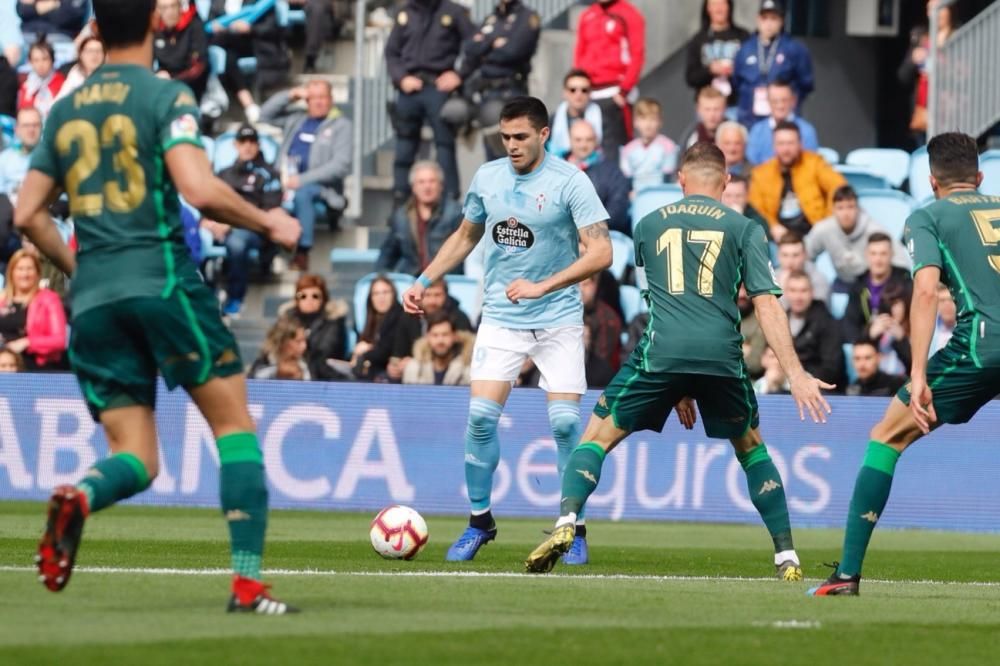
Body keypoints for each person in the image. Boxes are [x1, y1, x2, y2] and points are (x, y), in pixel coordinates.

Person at [14, 0, 301, 613]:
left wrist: (78, 269)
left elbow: (26, 214)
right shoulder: (166, 96)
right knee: (233, 426)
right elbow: (199, 188)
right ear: (156, 23)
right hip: (162, 281)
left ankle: (82, 497)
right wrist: (267, 219)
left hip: (91, 300)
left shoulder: (62, 110)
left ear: (93, 29)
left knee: (136, 458)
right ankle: (247, 585)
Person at [524, 142, 833, 576]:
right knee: (750, 448)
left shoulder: (648, 226)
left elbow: (658, 300)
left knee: (595, 437)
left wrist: (678, 386)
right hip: (722, 356)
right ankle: (787, 555)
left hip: (663, 351)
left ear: (680, 180)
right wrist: (796, 373)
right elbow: (765, 304)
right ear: (726, 182)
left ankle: (566, 520)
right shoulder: (745, 228)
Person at [402, 96, 612, 564]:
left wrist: (544, 286)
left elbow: (601, 253)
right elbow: (465, 235)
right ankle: (480, 522)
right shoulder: (488, 178)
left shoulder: (571, 182)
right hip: (500, 315)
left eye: (521, 137)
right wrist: (423, 279)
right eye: (505, 137)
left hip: (557, 316)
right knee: (479, 419)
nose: (512, 146)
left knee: (563, 425)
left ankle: (572, 527)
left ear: (543, 135)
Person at [809, 133, 1000, 596]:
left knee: (886, 437)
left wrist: (917, 374)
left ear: (933, 182)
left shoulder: (927, 216)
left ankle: (848, 574)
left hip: (981, 345)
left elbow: (925, 291)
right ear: (978, 177)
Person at [384, 0, 475, 202]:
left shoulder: (455, 12)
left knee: (444, 146)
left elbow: (475, 47)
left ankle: (450, 201)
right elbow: (391, 52)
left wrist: (459, 75)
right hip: (409, 88)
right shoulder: (406, 12)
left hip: (439, 88)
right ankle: (400, 202)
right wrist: (400, 77)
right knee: (404, 147)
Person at [260, 79, 353, 270]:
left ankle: (302, 251)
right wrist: (291, 94)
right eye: (313, 98)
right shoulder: (296, 119)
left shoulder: (341, 125)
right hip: (285, 185)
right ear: (306, 100)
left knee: (304, 193)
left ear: (331, 100)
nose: (318, 102)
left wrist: (302, 180)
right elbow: (265, 115)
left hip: (321, 191)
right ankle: (265, 254)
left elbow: (340, 166)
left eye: (323, 97)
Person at [202, 124, 283, 316]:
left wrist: (230, 223)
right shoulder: (224, 173)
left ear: (258, 145)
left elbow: (269, 212)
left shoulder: (269, 174)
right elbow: (208, 202)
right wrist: (207, 221)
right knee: (191, 236)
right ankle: (204, 296)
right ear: (235, 145)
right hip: (219, 225)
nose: (247, 146)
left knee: (237, 243)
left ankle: (235, 297)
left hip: (253, 229)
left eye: (252, 142)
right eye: (243, 142)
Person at [458, 0, 541, 161]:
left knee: (511, 152)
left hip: (511, 92)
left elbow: (512, 52)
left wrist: (484, 45)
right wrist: (493, 42)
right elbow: (470, 49)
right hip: (487, 93)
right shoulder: (492, 18)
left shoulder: (528, 17)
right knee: (492, 156)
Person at [573, 0, 645, 165]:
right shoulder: (587, 15)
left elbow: (637, 54)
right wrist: (579, 87)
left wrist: (624, 91)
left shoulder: (629, 14)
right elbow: (579, 53)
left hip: (615, 92)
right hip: (589, 93)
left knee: (616, 151)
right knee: (587, 148)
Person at [749, 121, 846, 241]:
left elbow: (839, 187)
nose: (786, 149)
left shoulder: (815, 163)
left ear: (800, 144)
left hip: (812, 232)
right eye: (781, 143)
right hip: (777, 237)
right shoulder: (761, 173)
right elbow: (756, 207)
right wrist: (772, 225)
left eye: (790, 143)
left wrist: (826, 221)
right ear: (774, 146)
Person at [805, 185, 911, 288]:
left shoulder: (875, 231)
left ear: (858, 209)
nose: (846, 213)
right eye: (840, 208)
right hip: (842, 282)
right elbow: (804, 255)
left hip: (872, 284)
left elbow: (902, 264)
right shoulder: (823, 229)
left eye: (850, 207)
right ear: (833, 210)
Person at [206, 0, 291, 123]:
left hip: (253, 43)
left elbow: (272, 28)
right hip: (227, 47)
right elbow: (210, 22)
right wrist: (215, 27)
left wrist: (250, 28)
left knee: (220, 43)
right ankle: (248, 103)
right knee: (225, 53)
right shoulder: (217, 2)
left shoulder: (260, 2)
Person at [732, 0, 813, 128]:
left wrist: (790, 103)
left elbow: (806, 83)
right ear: (758, 19)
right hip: (749, 120)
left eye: (773, 18)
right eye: (764, 18)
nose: (768, 23)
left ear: (781, 21)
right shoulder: (744, 49)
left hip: (783, 121)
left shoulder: (795, 49)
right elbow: (736, 81)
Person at [376, 161, 463, 276]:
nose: (427, 186)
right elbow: (388, 253)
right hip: (411, 281)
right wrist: (380, 277)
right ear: (413, 187)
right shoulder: (401, 216)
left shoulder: (456, 213)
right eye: (421, 182)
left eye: (432, 181)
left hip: (445, 281)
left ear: (441, 185)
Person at [390, 276, 472, 382]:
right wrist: (396, 365)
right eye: (427, 295)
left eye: (437, 295)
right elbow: (398, 354)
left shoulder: (460, 318)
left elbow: (466, 351)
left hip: (453, 371)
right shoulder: (408, 317)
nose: (432, 301)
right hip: (418, 370)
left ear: (446, 296)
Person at [898, 1, 957, 145]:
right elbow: (903, 77)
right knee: (925, 158)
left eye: (940, 8)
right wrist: (913, 60)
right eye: (931, 9)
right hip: (924, 114)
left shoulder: (960, 36)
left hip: (951, 112)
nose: (936, 13)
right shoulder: (921, 39)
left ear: (949, 10)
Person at [0, 249, 67, 370]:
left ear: (38, 272)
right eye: (20, 269)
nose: (25, 274)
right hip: (5, 366)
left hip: (35, 367)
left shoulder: (49, 299)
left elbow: (59, 340)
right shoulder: (2, 299)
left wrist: (27, 343)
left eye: (29, 269)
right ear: (11, 272)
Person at [277, 273, 350, 381]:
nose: (309, 299)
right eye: (303, 296)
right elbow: (275, 347)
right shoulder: (287, 319)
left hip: (324, 378)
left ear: (324, 299)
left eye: (315, 296)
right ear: (296, 299)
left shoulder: (333, 320)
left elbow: (326, 352)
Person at [843, 232, 913, 343]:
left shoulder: (905, 282)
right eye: (873, 254)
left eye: (883, 254)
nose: (878, 259)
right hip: (869, 351)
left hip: (902, 345)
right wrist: (870, 333)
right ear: (866, 255)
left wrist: (901, 336)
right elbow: (850, 329)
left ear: (892, 254)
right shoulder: (857, 286)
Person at [566, 120, 630, 236]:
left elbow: (617, 213)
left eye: (588, 139)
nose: (583, 145)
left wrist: (585, 232)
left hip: (602, 237)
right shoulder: (559, 168)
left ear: (596, 141)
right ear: (570, 140)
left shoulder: (612, 172)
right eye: (578, 140)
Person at [784, 270, 845, 390]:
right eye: (793, 290)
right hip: (785, 383)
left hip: (822, 389)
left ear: (812, 293)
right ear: (785, 293)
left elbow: (832, 368)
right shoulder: (780, 319)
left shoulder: (827, 322)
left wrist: (800, 379)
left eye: (803, 291)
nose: (798, 297)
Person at [684, 0, 749, 107]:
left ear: (729, 6)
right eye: (714, 4)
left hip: (737, 104)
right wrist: (710, 70)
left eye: (722, 3)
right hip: (708, 106)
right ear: (707, 8)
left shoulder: (743, 36)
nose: (718, 9)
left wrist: (735, 70)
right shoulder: (698, 40)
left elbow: (753, 70)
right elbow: (691, 78)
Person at [745, 80, 819, 165]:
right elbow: (752, 163)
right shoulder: (757, 130)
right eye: (775, 101)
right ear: (768, 101)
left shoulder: (807, 131)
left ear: (793, 101)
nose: (780, 106)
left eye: (784, 100)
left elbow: (811, 164)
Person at [619, 98, 678, 194]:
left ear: (660, 122)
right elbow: (627, 180)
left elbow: (668, 178)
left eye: (653, 119)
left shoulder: (669, 146)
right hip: (636, 198)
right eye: (643, 119)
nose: (648, 124)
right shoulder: (627, 150)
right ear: (635, 122)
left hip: (661, 195)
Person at [154, 0, 210, 101]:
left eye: (173, 6)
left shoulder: (194, 25)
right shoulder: (155, 30)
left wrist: (173, 82)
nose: (169, 11)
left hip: (192, 86)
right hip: (163, 83)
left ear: (180, 6)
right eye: (164, 8)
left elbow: (199, 66)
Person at [402, 310, 474, 386]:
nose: (440, 340)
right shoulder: (414, 368)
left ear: (454, 336)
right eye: (435, 335)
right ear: (427, 337)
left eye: (445, 334)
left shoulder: (469, 369)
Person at [352, 275, 403, 381]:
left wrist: (365, 350)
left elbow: (385, 352)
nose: (381, 297)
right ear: (371, 298)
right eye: (376, 293)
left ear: (393, 294)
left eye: (385, 292)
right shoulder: (371, 321)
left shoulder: (401, 316)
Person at [548, 69, 602, 160]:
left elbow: (609, 153)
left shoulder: (602, 118)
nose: (578, 94)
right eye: (573, 90)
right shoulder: (552, 121)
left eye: (584, 90)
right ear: (564, 93)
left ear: (590, 93)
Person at [16, 0, 88, 61]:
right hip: (27, 40)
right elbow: (22, 10)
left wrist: (37, 8)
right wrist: (54, 4)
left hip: (61, 42)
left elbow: (66, 17)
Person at [581, 272, 622, 372]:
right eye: (575, 284)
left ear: (596, 284)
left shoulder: (609, 319)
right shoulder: (562, 313)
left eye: (585, 284)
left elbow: (600, 367)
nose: (580, 289)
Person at [0, 108, 44, 201]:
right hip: (11, 210)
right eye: (26, 125)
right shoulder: (3, 160)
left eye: (35, 125)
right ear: (17, 130)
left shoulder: (54, 158)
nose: (31, 130)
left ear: (42, 128)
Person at [775, 232, 829, 305]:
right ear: (778, 256)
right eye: (785, 255)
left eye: (795, 255)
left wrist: (783, 291)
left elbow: (818, 311)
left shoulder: (818, 279)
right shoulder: (772, 279)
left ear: (805, 255)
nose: (790, 261)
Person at [18, 40, 66, 119]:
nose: (40, 64)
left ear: (52, 60)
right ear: (30, 62)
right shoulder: (26, 86)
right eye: (36, 60)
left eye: (45, 59)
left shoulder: (62, 85)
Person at [55, 36, 106, 101]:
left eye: (98, 51)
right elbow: (59, 101)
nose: (94, 55)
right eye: (90, 51)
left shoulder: (109, 74)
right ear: (81, 55)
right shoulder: (76, 72)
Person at [930, 283, 955, 354]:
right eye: (942, 300)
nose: (947, 305)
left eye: (950, 300)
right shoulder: (928, 330)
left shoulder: (967, 328)